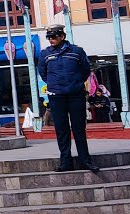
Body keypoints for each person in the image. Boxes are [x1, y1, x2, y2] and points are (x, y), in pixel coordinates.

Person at [37, 24, 98, 173]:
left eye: (54, 36)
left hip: (75, 95)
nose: (51, 39)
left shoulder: (77, 51)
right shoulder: (45, 54)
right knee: (61, 129)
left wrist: (75, 83)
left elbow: (85, 71)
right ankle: (65, 162)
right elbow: (43, 74)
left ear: (62, 36)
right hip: (56, 96)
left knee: (79, 129)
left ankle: (85, 160)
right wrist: (55, 84)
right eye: (49, 37)